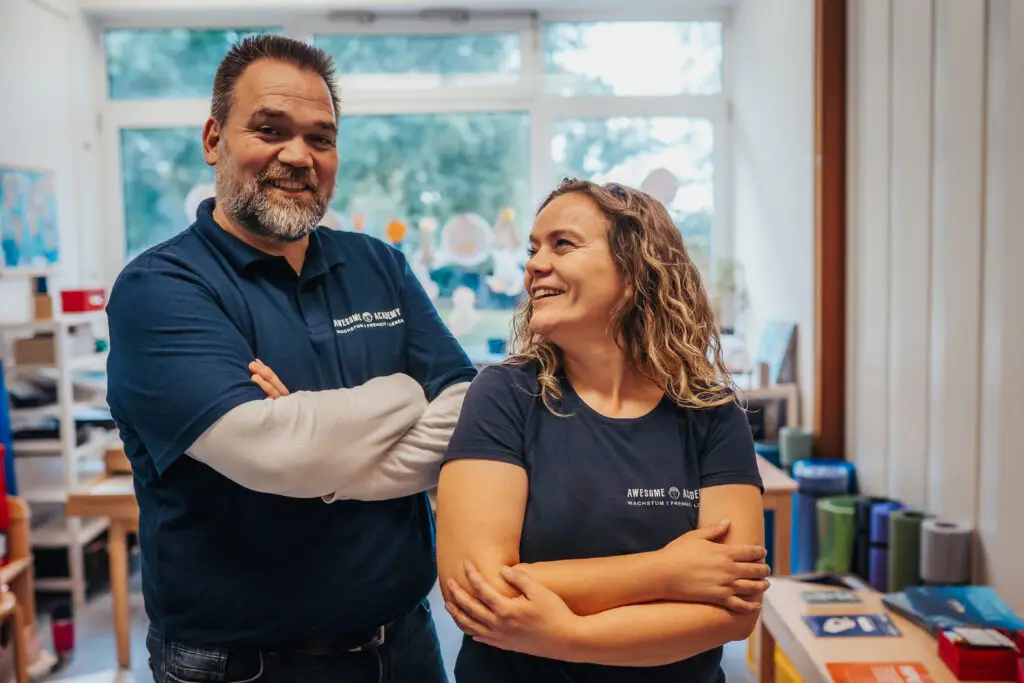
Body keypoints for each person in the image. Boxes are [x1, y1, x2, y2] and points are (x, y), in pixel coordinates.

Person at [105, 35, 476, 683]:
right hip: (243, 666)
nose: (298, 156)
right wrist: (403, 396)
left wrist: (321, 450)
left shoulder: (376, 263)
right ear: (214, 139)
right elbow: (275, 452)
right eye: (270, 129)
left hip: (406, 644)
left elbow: (468, 412)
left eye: (322, 137)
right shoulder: (161, 288)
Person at [434, 178, 771, 683]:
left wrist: (564, 636)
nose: (533, 265)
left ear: (635, 270)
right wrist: (666, 572)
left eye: (562, 244)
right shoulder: (504, 395)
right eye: (533, 248)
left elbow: (735, 612)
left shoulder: (709, 410)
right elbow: (480, 593)